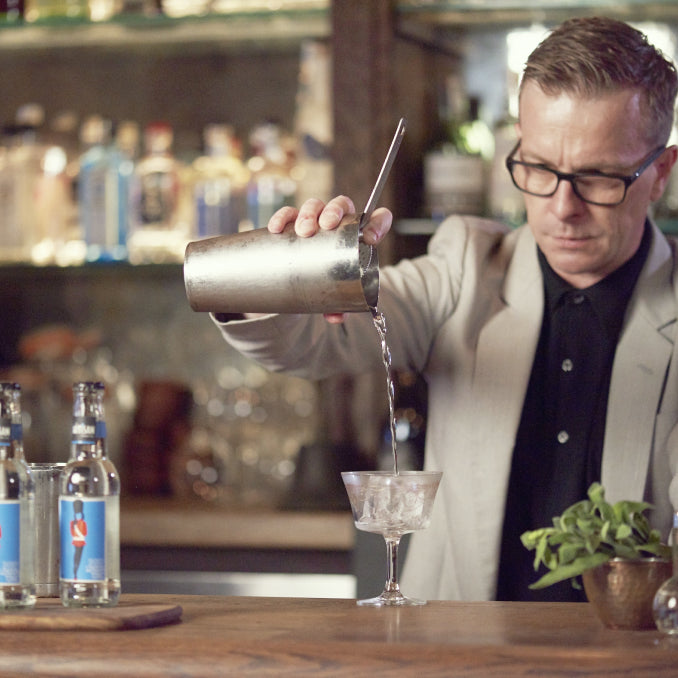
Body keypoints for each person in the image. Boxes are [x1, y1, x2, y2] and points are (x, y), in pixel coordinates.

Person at [212, 16, 678, 602]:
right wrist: (287, 270)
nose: (563, 208)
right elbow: (305, 346)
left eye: (599, 177)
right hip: (460, 653)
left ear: (660, 172)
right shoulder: (465, 270)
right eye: (537, 168)